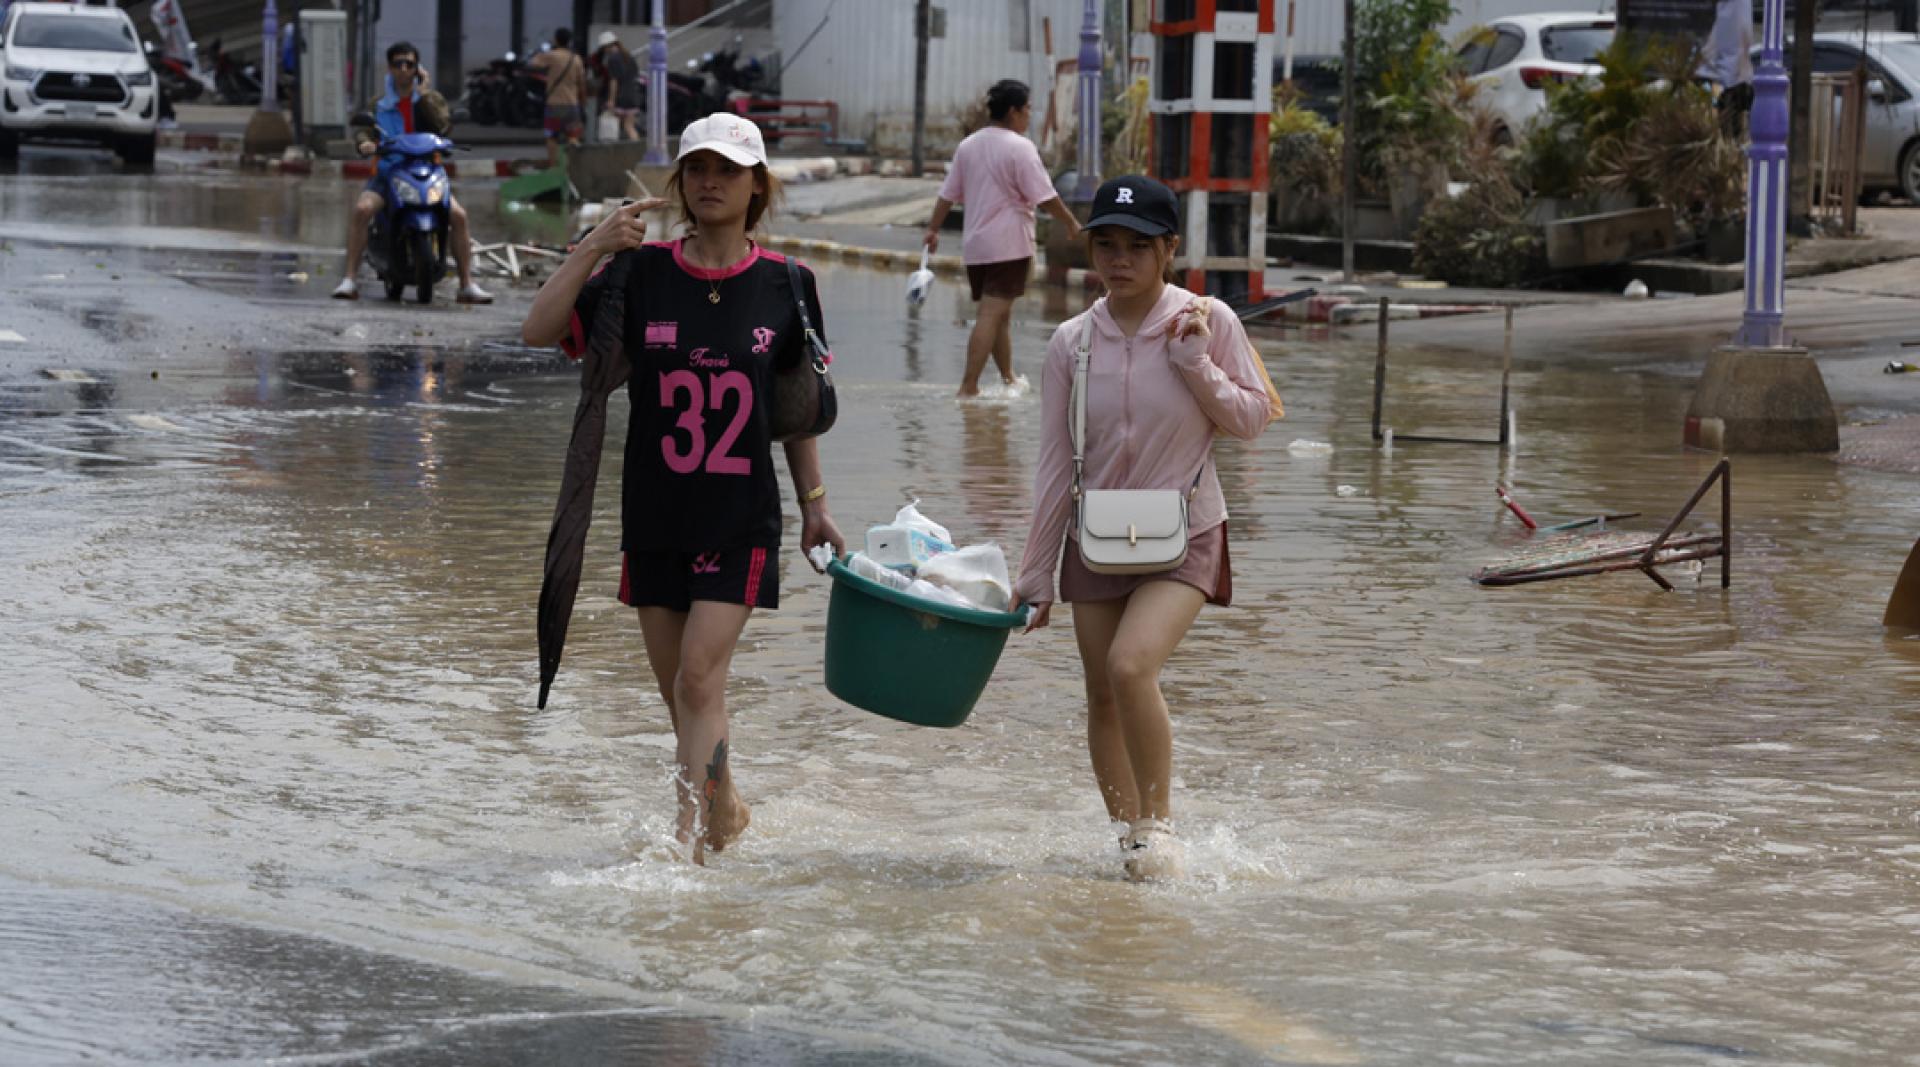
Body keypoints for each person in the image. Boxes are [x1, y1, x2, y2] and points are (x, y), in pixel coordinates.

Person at [520, 115, 846, 864]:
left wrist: (816, 504)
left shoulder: (788, 285)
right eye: (697, 167)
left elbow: (796, 414)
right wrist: (597, 244)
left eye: (728, 170)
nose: (710, 182)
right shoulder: (642, 275)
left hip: (740, 520)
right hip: (657, 514)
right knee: (685, 695)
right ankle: (723, 806)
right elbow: (539, 330)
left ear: (757, 184)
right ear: (679, 180)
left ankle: (690, 850)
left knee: (700, 676)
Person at [1012, 176, 1277, 883]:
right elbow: (1053, 463)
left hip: (1187, 530)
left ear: (1169, 250)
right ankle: (1131, 845)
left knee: (1132, 665)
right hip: (1092, 533)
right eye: (1107, 244)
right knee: (1100, 691)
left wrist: (1195, 365)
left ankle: (1158, 826)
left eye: (1137, 246)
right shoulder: (1071, 343)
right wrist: (1035, 574)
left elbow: (1252, 420)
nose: (1120, 259)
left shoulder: (1207, 319)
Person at [924, 79, 1082, 397]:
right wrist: (1071, 222)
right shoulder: (1020, 148)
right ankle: (968, 386)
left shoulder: (968, 145)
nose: (1029, 117)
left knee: (999, 314)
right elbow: (1044, 195)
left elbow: (947, 194)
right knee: (991, 314)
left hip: (977, 246)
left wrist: (933, 228)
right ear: (1013, 112)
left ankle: (1008, 377)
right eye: (1027, 110)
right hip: (1009, 244)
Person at [332, 42, 491, 304]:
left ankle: (467, 284)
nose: (404, 69)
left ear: (418, 68)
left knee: (459, 216)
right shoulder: (379, 104)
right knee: (362, 210)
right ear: (390, 67)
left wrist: (424, 93)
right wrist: (365, 143)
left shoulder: (431, 99)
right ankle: (349, 279)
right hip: (388, 173)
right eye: (398, 64)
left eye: (410, 64)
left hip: (428, 172)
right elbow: (364, 131)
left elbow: (444, 127)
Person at [531, 28, 589, 167]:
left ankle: (554, 166)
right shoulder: (576, 58)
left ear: (556, 39)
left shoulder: (552, 55)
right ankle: (574, 166)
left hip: (554, 105)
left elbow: (534, 62)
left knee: (551, 137)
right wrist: (583, 101)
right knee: (573, 136)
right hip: (572, 105)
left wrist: (548, 49)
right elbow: (582, 83)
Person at [595, 30, 641, 142]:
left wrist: (611, 100)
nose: (604, 51)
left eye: (603, 48)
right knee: (629, 127)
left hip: (621, 97)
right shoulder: (628, 56)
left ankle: (614, 154)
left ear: (607, 46)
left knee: (613, 128)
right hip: (632, 96)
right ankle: (637, 151)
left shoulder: (613, 59)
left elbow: (614, 81)